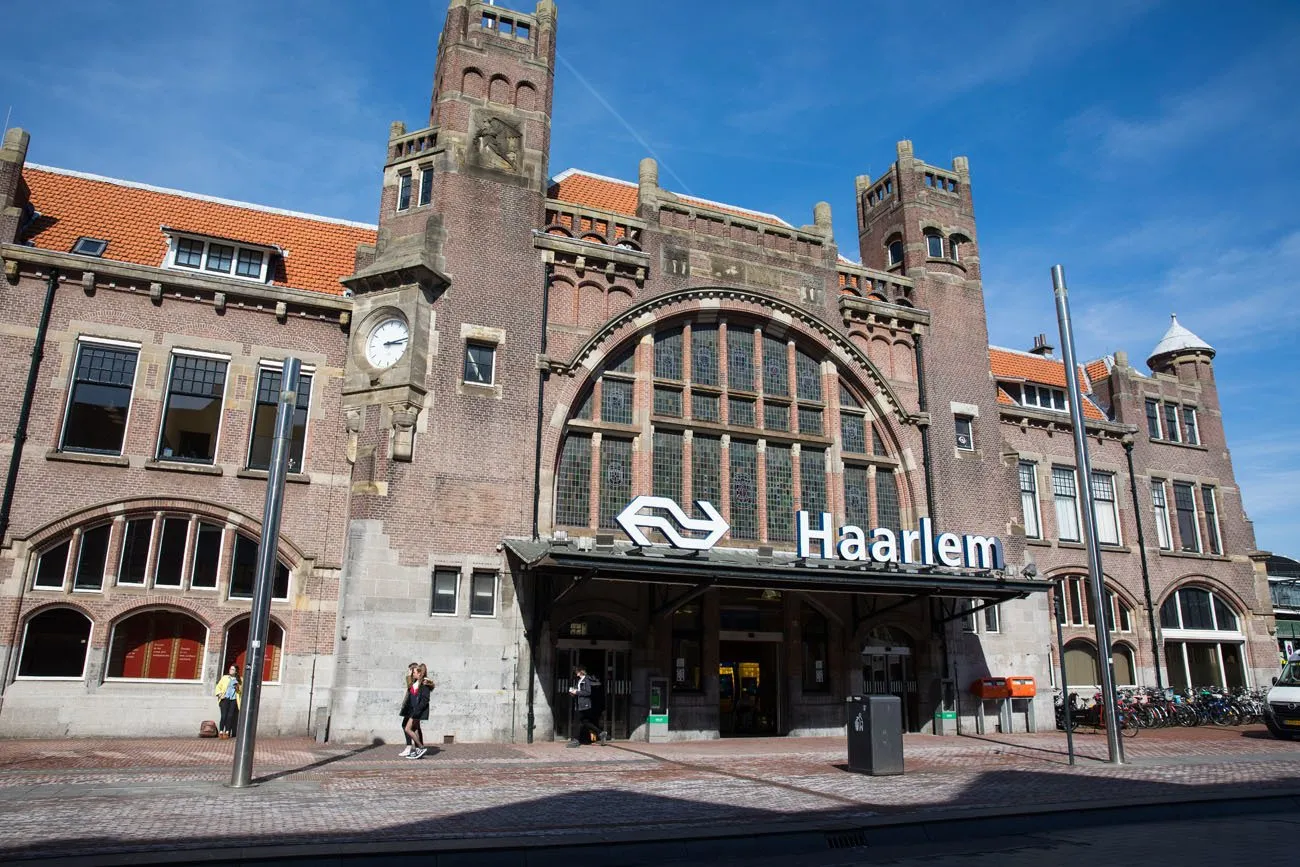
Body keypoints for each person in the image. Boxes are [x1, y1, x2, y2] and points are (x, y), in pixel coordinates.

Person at [567, 665, 608, 747]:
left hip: (584, 705)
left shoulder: (586, 680)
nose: (576, 673)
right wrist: (573, 692)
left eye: (577, 671)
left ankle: (576, 741)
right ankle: (600, 733)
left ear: (581, 671)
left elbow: (588, 692)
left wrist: (577, 692)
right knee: (585, 722)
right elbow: (579, 691)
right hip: (579, 704)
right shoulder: (580, 680)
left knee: (577, 722)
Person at [400, 663, 435, 759]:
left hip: (416, 711)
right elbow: (410, 688)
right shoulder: (416, 683)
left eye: (414, 672)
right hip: (412, 710)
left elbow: (425, 699)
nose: (412, 674)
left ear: (419, 673)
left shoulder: (424, 684)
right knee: (414, 729)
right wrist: (408, 675)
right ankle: (418, 748)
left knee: (408, 729)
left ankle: (420, 747)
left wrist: (417, 710)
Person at [214, 664, 241, 739]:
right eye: (230, 669)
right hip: (225, 698)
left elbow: (241, 690)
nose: (230, 670)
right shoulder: (225, 678)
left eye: (232, 669)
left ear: (236, 672)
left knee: (230, 716)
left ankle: (227, 732)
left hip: (233, 699)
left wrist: (238, 687)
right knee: (223, 716)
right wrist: (219, 694)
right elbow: (218, 686)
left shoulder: (239, 680)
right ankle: (221, 731)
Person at [397, 663, 418, 757]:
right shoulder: (414, 680)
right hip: (409, 706)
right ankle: (414, 748)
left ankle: (412, 748)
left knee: (408, 727)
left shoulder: (417, 680)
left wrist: (408, 676)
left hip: (413, 707)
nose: (409, 672)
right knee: (411, 728)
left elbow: (410, 687)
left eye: (410, 670)